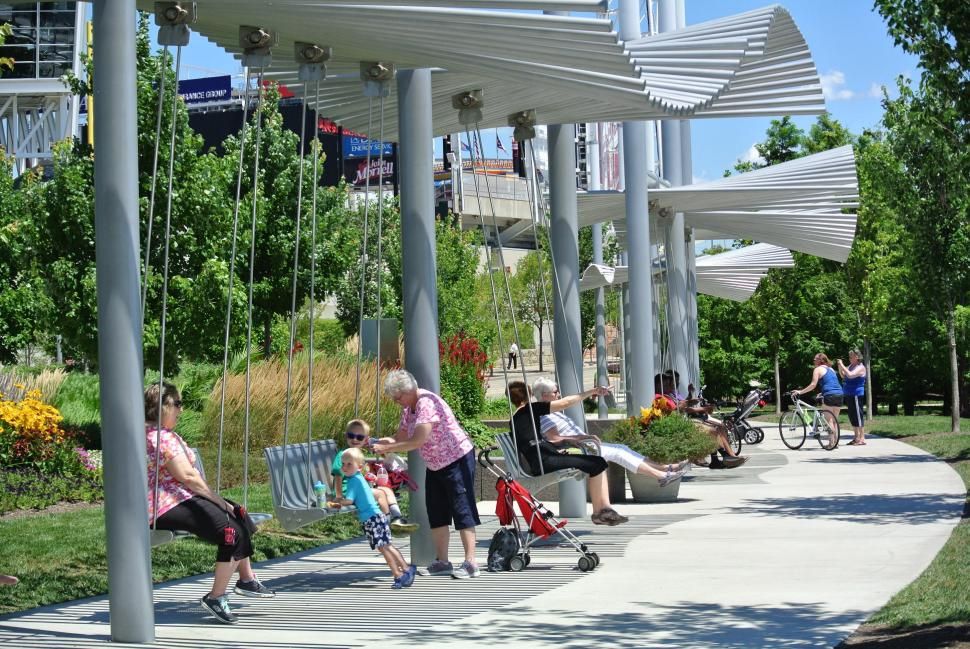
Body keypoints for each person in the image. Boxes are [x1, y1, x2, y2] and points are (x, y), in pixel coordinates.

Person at [145, 382, 275, 625]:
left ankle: (246, 579)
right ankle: (215, 597)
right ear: (161, 406)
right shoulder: (161, 438)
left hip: (180, 498)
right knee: (230, 531)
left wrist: (224, 504)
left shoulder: (157, 433)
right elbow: (189, 477)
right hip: (166, 504)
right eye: (177, 404)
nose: (180, 410)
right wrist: (218, 501)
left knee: (239, 514)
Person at [373, 369, 481, 579]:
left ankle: (471, 562)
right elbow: (402, 437)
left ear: (407, 391)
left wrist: (392, 448)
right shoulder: (409, 408)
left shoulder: (426, 403)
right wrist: (387, 443)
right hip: (435, 465)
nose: (396, 402)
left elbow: (417, 441)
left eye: (397, 397)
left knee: (462, 508)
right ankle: (443, 561)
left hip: (456, 459)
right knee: (437, 511)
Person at [507, 380, 628, 526]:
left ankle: (603, 510)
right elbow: (565, 403)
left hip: (542, 459)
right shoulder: (530, 410)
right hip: (544, 461)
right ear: (530, 394)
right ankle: (600, 512)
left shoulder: (515, 417)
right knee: (598, 462)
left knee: (595, 463)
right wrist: (592, 392)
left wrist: (566, 443)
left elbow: (533, 441)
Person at [532, 377, 688, 486]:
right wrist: (583, 437)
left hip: (585, 446)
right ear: (545, 396)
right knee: (618, 453)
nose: (558, 394)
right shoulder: (545, 416)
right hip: (580, 450)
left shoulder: (553, 412)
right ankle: (661, 475)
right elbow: (555, 439)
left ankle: (664, 468)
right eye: (555, 392)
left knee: (621, 448)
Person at [327, 447, 417, 589]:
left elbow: (349, 501)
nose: (345, 467)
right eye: (343, 464)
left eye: (349, 464)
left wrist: (336, 502)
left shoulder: (353, 481)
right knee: (386, 547)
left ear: (359, 466)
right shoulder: (358, 478)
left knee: (385, 547)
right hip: (375, 518)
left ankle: (400, 574)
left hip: (372, 519)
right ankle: (404, 570)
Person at [333, 419, 420, 536]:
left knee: (385, 489)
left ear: (366, 440)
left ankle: (397, 518)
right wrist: (339, 496)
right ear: (346, 436)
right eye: (351, 436)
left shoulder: (359, 454)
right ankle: (387, 524)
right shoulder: (345, 455)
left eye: (359, 437)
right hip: (349, 491)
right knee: (380, 494)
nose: (354, 439)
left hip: (359, 488)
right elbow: (338, 475)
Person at [655, 373, 747, 470]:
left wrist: (688, 399)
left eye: (673, 383)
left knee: (716, 428)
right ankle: (725, 457)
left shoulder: (670, 395)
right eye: (668, 384)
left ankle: (727, 456)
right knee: (713, 430)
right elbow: (677, 410)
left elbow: (681, 406)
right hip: (679, 424)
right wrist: (699, 408)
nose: (672, 386)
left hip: (683, 421)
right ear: (658, 385)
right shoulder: (660, 397)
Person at [794, 353, 843, 445]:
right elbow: (832, 383)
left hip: (830, 395)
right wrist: (822, 392)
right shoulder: (831, 369)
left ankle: (831, 443)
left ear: (820, 360)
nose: (813, 361)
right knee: (835, 420)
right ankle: (836, 443)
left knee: (829, 421)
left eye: (815, 359)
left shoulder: (817, 369)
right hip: (839, 394)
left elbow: (813, 385)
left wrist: (800, 392)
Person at [837, 349, 867, 445]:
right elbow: (843, 375)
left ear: (857, 357)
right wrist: (839, 367)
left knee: (858, 416)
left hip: (856, 394)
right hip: (849, 393)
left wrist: (842, 365)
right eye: (849, 356)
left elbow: (850, 375)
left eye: (851, 356)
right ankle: (856, 437)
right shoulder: (850, 366)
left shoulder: (860, 367)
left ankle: (862, 438)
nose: (849, 358)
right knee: (852, 416)